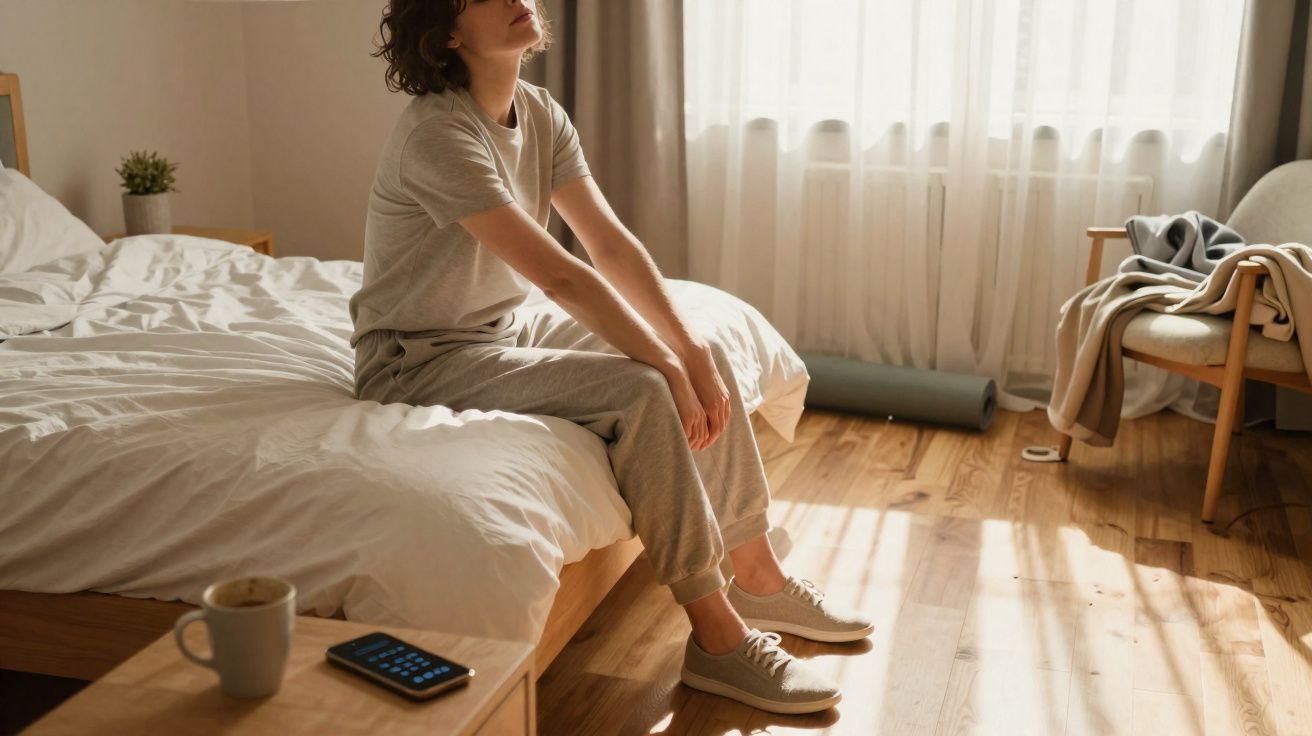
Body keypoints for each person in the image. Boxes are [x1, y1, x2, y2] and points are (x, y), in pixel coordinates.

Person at [350, 0, 873, 715]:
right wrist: (662, 365)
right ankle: (717, 641)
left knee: (703, 349)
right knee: (642, 388)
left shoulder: (536, 111)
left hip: (497, 329)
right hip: (415, 360)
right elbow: (562, 277)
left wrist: (689, 350)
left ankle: (758, 573)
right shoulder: (438, 135)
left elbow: (610, 246)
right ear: (447, 33)